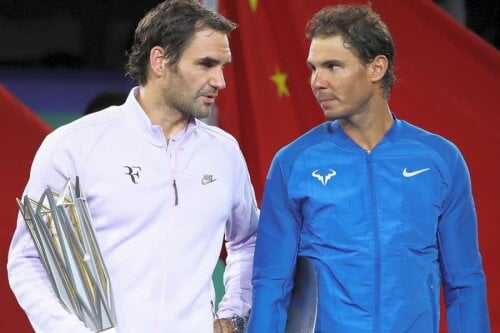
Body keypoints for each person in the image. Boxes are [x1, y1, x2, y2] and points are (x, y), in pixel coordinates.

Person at [7, 1, 259, 332]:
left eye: (223, 66)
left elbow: (248, 241)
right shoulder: (74, 145)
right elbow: (29, 260)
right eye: (206, 64)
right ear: (160, 60)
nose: (220, 81)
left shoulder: (225, 153)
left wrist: (235, 311)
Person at [247, 4, 490, 333]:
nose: (317, 81)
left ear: (376, 68)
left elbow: (464, 283)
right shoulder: (292, 163)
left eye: (333, 66)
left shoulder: (440, 159)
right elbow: (270, 286)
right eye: (313, 68)